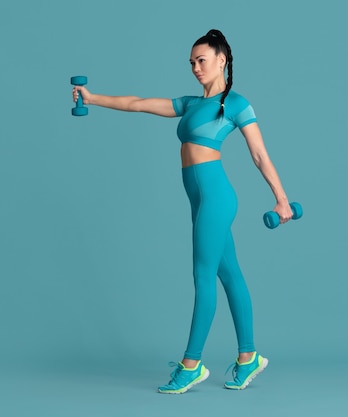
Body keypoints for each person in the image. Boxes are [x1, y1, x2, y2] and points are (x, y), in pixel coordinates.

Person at [73, 29, 294, 394]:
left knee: (203, 275)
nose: (195, 67)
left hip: (217, 197)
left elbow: (259, 154)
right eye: (191, 62)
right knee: (230, 275)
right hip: (199, 197)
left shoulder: (235, 103)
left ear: (222, 60)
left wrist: (281, 199)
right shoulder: (191, 104)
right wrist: (92, 97)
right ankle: (249, 357)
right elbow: (137, 103)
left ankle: (191, 365)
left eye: (201, 60)